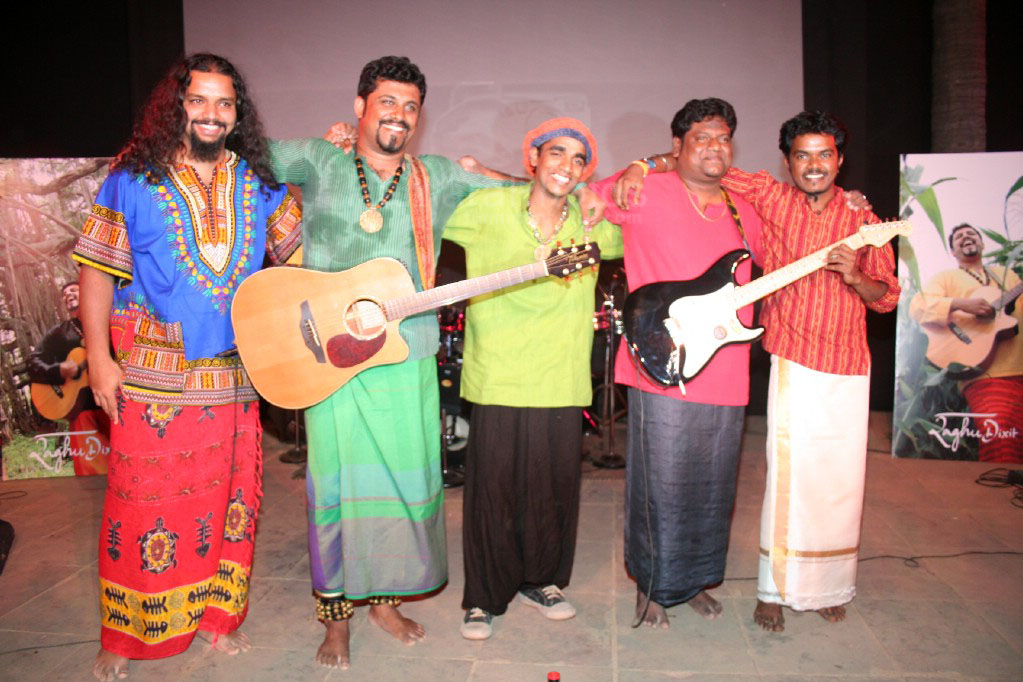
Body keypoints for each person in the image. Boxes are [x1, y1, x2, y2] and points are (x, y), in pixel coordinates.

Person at [616, 109, 900, 633]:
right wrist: (642, 161)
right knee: (783, 481)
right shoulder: (767, 196)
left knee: (834, 484)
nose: (814, 165)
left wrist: (857, 277)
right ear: (787, 161)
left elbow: (887, 298)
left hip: (846, 360)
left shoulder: (866, 220)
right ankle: (756, 589)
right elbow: (702, 163)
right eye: (802, 155)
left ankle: (823, 585)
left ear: (840, 160)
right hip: (790, 354)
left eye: (824, 155)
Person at [72, 53, 301, 681]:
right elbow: (96, 269)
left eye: (224, 103)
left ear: (237, 114)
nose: (211, 113)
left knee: (228, 507)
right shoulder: (132, 178)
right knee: (140, 504)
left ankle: (215, 619)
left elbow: (301, 254)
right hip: (152, 376)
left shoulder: (257, 180)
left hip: (234, 378)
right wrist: (98, 358)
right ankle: (126, 635)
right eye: (198, 100)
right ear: (176, 106)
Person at [443, 118, 622, 640]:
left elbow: (641, 211)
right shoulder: (485, 209)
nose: (567, 166)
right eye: (557, 154)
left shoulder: (593, 224)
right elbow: (421, 206)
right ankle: (482, 597)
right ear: (533, 159)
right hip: (497, 373)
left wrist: (596, 193)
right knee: (492, 489)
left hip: (561, 376)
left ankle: (542, 580)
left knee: (552, 486)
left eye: (579, 160)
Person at [589, 98, 765, 629]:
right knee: (660, 485)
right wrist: (645, 164)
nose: (715, 147)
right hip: (663, 363)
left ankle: (691, 582)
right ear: (678, 147)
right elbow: (584, 195)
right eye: (701, 138)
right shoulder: (645, 189)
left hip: (727, 365)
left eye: (723, 138)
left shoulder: (745, 208)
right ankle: (653, 585)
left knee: (711, 488)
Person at [910, 223, 1023, 462]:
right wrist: (962, 304)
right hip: (985, 377)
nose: (966, 237)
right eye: (959, 237)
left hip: (1020, 367)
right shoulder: (947, 278)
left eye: (971, 234)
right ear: (953, 252)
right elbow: (918, 306)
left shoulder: (1006, 275)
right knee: (1000, 444)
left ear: (982, 244)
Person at [26, 280, 110, 475]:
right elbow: (33, 361)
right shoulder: (60, 332)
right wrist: (58, 370)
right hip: (80, 409)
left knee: (122, 462)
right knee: (90, 470)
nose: (68, 295)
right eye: (64, 294)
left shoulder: (109, 319)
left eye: (73, 290)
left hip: (111, 403)